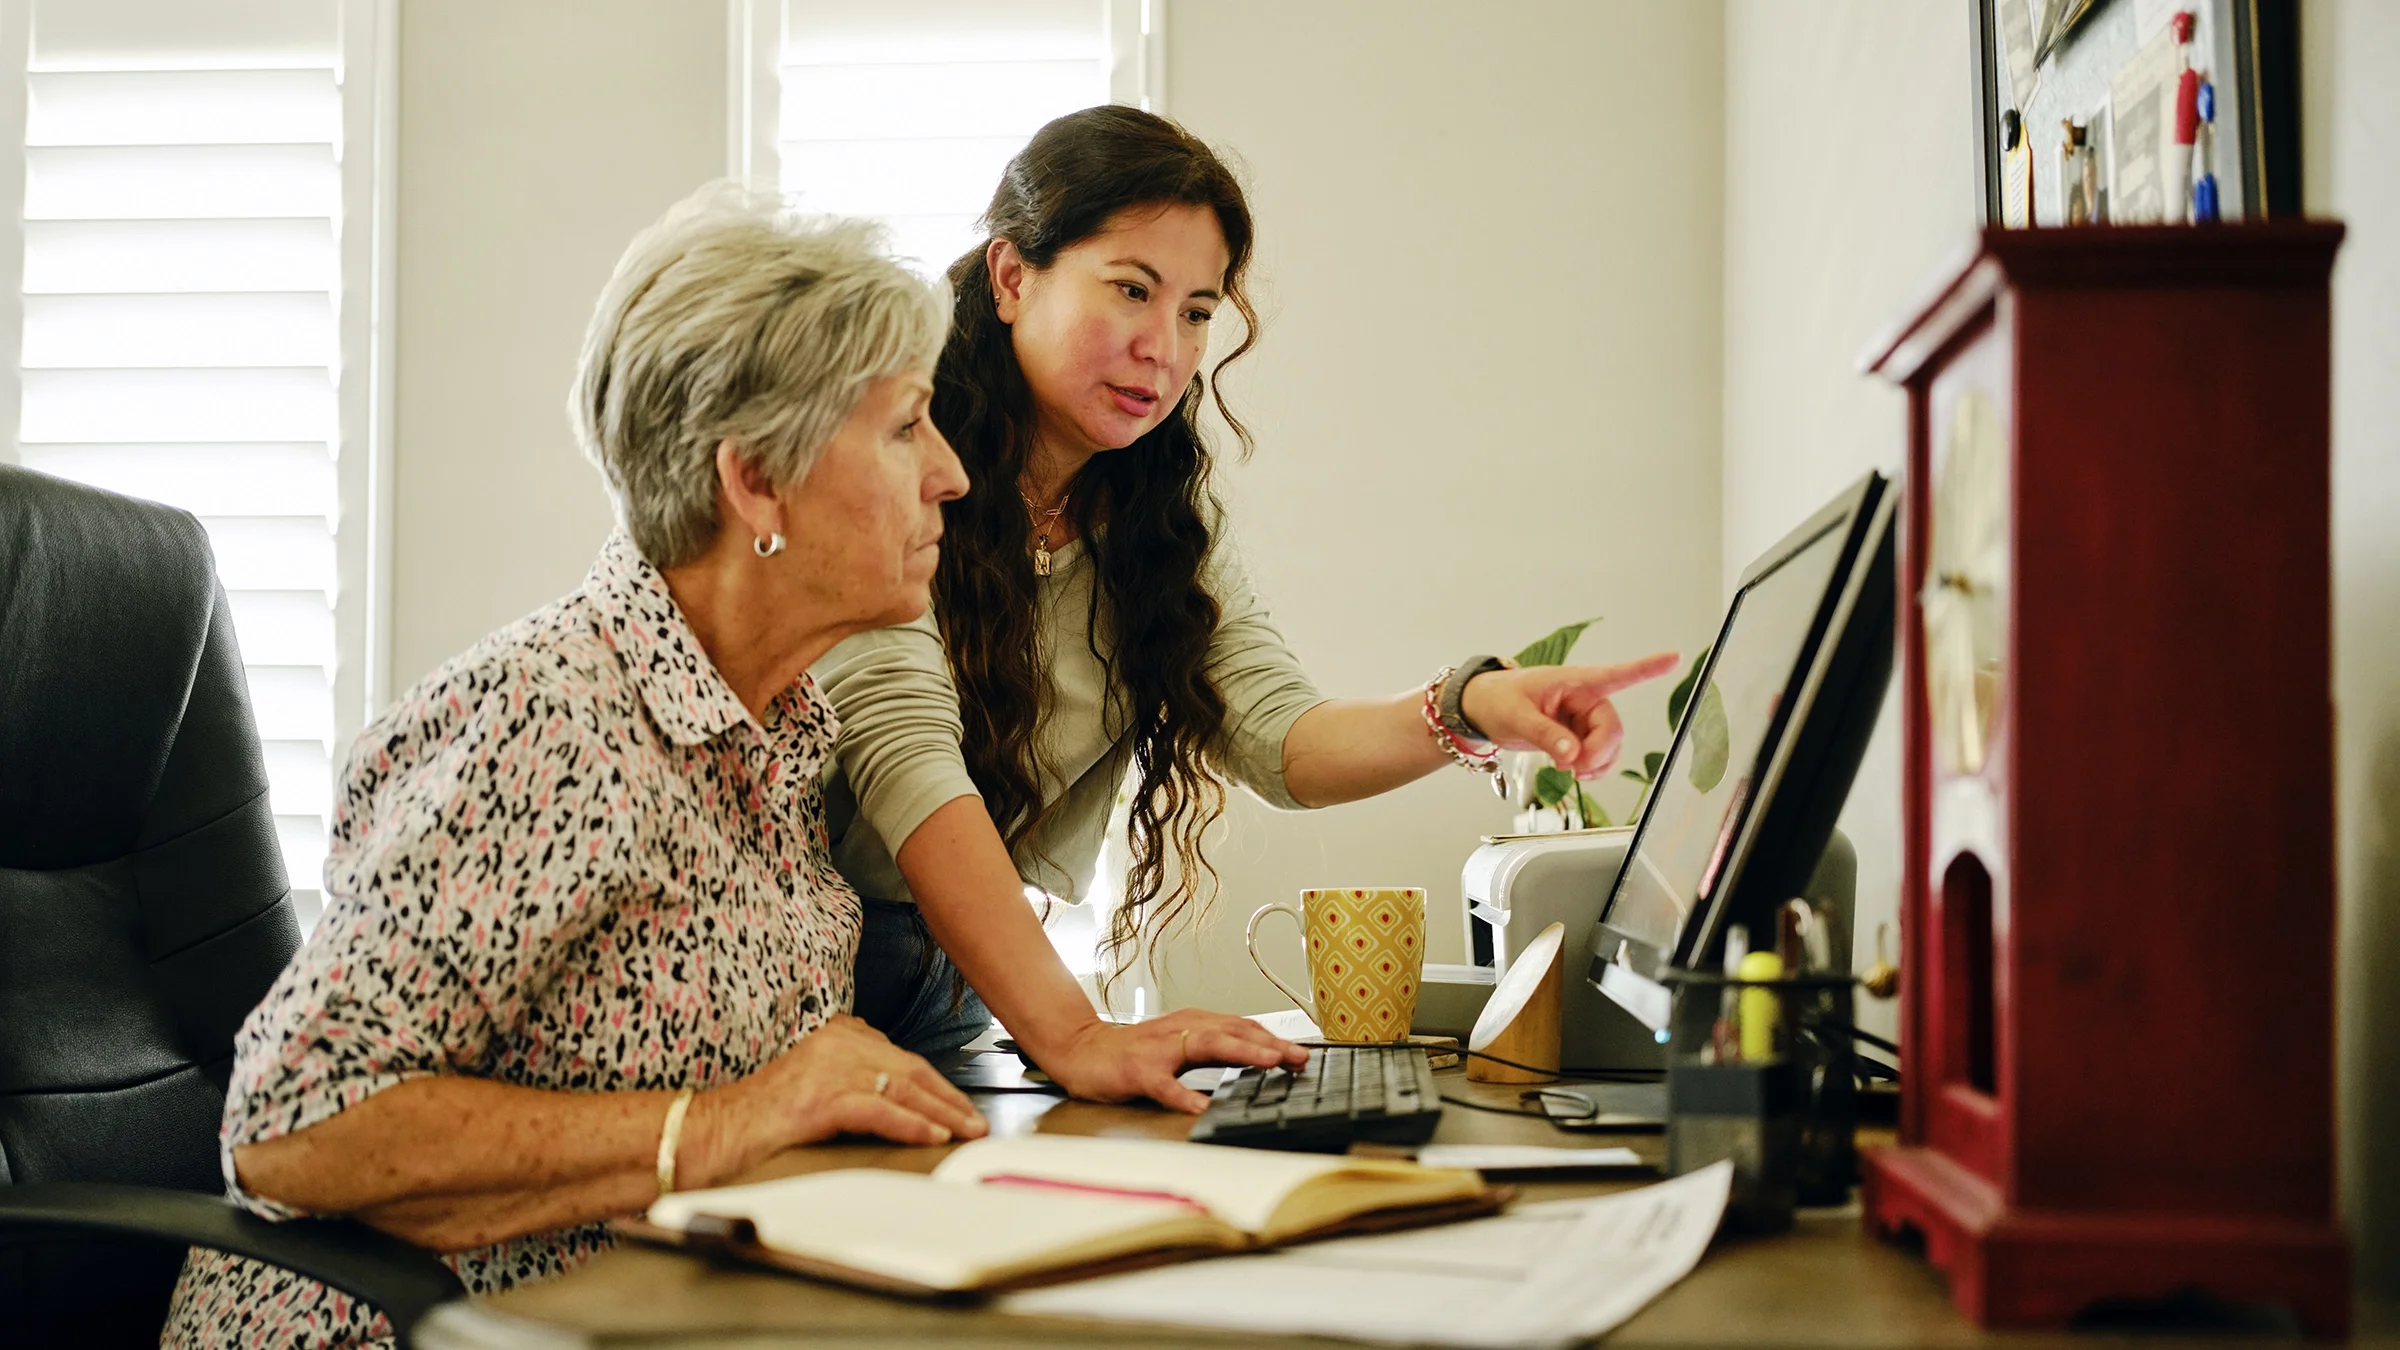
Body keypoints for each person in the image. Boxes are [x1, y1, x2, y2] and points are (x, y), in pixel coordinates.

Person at [164, 187, 991, 1348]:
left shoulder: (776, 730)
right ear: (754, 479)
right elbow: (296, 1119)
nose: (950, 474)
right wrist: (725, 1123)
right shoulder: (550, 721)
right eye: (907, 427)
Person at [817, 105, 1676, 1111]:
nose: (1164, 349)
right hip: (810, 970)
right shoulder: (897, 451)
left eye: (1195, 311)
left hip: (961, 985)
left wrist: (1473, 705)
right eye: (1131, 290)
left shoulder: (1161, 516)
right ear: (1012, 279)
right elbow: (906, 754)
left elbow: (1281, 740)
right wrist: (1079, 1033)